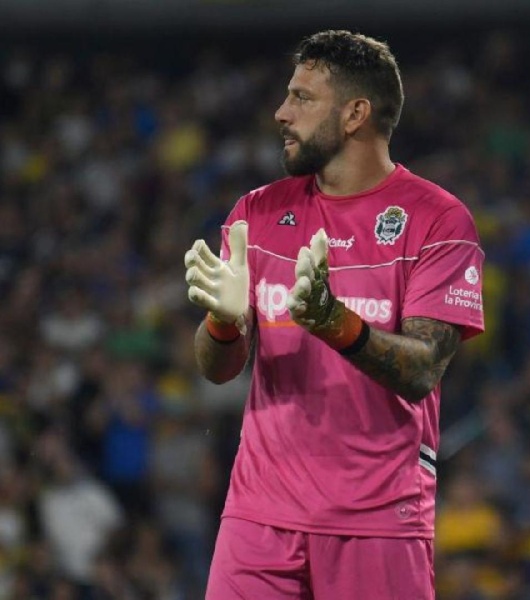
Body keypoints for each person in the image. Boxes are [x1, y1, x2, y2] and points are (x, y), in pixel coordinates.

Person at [184, 30, 485, 600]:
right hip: (257, 518)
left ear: (355, 114)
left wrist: (334, 322)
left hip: (378, 520)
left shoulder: (438, 220)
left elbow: (423, 369)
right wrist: (222, 324)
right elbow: (217, 369)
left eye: (302, 98)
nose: (281, 112)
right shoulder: (257, 213)